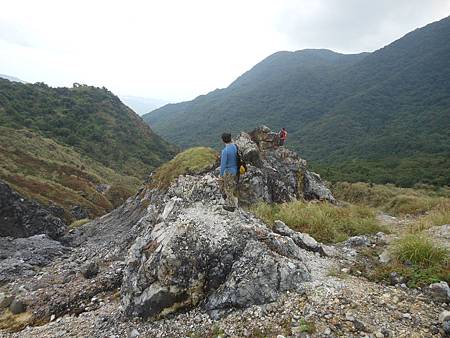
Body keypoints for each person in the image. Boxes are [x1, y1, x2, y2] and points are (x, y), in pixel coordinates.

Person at [219, 132, 239, 212]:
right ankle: (227, 197)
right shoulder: (234, 146)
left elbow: (223, 165)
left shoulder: (225, 151)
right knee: (231, 186)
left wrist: (221, 175)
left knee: (228, 188)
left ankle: (231, 206)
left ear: (223, 141)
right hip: (235, 170)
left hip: (229, 172)